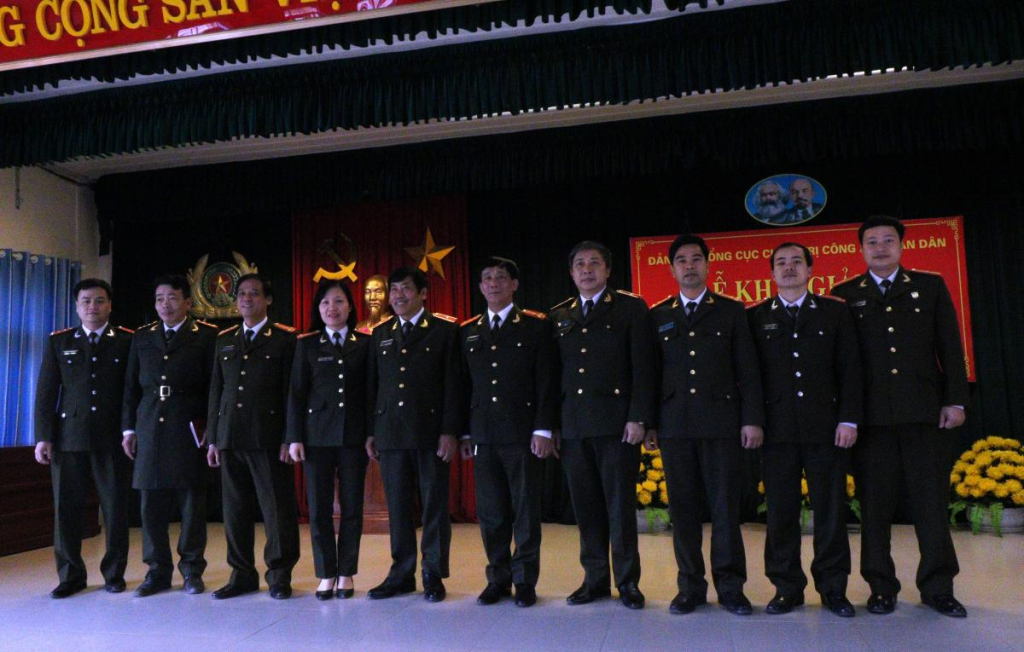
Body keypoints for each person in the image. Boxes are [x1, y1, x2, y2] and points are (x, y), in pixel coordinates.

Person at [831, 215, 969, 618]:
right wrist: (847, 416)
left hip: (924, 414)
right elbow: (842, 364)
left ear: (901, 245)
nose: (880, 247)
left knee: (931, 505)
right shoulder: (844, 295)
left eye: (888, 240)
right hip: (871, 420)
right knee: (875, 509)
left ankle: (938, 587)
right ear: (860, 249)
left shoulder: (929, 286)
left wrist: (956, 400)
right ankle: (880, 587)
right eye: (872, 241)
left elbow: (950, 344)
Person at [645, 234, 764, 616]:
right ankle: (690, 588)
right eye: (682, 260)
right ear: (672, 269)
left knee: (725, 510)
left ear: (708, 265)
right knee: (683, 512)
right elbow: (650, 375)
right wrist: (650, 423)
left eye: (696, 259)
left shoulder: (731, 311)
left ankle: (731, 588)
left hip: (721, 425)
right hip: (675, 427)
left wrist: (751, 419)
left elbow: (748, 371)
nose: (690, 266)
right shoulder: (658, 315)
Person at [747, 243, 862, 617]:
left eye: (797, 262)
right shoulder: (756, 316)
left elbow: (850, 369)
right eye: (781, 263)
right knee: (781, 513)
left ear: (811, 270)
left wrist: (848, 419)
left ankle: (833, 588)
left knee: (830, 512)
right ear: (771, 273)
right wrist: (754, 421)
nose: (789, 268)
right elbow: (749, 376)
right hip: (776, 432)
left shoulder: (834, 312)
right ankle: (787, 588)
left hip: (825, 429)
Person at [549, 241, 655, 610]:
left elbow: (643, 367)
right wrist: (552, 425)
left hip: (617, 426)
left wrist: (638, 417)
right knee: (587, 509)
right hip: (574, 426)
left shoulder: (630, 308)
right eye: (580, 264)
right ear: (571, 272)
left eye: (595, 263)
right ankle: (594, 580)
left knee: (619, 509)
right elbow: (552, 376)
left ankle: (628, 582)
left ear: (608, 270)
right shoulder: (559, 315)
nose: (587, 269)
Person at [458, 257, 559, 608]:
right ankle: (497, 579)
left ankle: (525, 580)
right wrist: (464, 433)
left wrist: (543, 429)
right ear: (480, 286)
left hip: (523, 433)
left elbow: (546, 380)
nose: (494, 283)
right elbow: (463, 386)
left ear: (514, 284)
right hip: (483, 435)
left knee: (525, 512)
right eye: (487, 278)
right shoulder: (468, 330)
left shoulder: (535, 326)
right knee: (491, 513)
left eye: (501, 277)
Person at [365, 267, 462, 602]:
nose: (398, 296)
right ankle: (401, 573)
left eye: (405, 289)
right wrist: (371, 431)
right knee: (398, 507)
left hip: (431, 432)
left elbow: (453, 384)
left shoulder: (444, 330)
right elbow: (374, 386)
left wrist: (450, 431)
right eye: (394, 290)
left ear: (423, 293)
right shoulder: (381, 333)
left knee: (434, 506)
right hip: (390, 432)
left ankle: (433, 573)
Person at [34, 278, 133, 598]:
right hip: (69, 438)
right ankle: (70, 575)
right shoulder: (59, 341)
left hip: (112, 438)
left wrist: (130, 430)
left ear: (110, 305)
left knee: (115, 509)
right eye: (86, 301)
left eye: (100, 300)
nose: (93, 306)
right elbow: (46, 392)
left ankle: (114, 574)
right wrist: (43, 436)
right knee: (66, 510)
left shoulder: (127, 341)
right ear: (77, 307)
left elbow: (131, 391)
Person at [122, 274, 217, 597]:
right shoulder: (142, 336)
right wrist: (129, 428)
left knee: (191, 503)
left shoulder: (206, 336)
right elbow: (130, 388)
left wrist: (211, 428)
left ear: (188, 302)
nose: (165, 305)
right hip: (150, 425)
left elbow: (214, 387)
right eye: (160, 299)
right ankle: (157, 571)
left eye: (173, 298)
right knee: (151, 503)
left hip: (188, 425)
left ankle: (192, 569)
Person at [206, 274, 300, 600]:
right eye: (242, 294)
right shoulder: (225, 339)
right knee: (235, 511)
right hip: (231, 435)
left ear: (268, 299)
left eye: (254, 294)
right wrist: (213, 438)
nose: (246, 299)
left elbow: (292, 393)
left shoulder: (285, 338)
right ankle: (242, 574)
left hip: (269, 437)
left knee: (277, 511)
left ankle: (279, 574)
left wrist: (290, 437)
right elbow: (217, 390)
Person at [287, 280, 371, 600]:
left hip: (353, 437)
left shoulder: (365, 343)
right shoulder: (307, 344)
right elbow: (296, 393)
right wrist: (294, 437)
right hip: (316, 437)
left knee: (351, 508)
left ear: (350, 307)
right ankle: (325, 573)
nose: (331, 308)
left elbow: (371, 391)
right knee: (319, 509)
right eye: (325, 303)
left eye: (338, 301)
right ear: (318, 309)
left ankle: (346, 572)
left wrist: (371, 433)